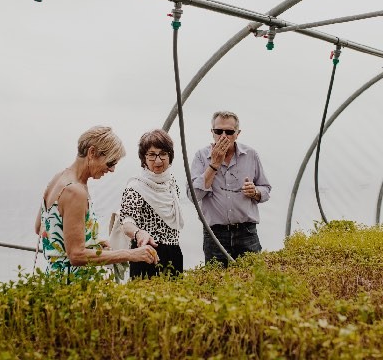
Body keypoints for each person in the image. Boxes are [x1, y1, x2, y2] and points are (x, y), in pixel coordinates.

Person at [34, 125, 158, 278]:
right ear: (92, 153)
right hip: (74, 284)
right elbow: (77, 255)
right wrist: (130, 254)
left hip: (54, 277)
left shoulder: (58, 179)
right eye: (111, 162)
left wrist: (91, 242)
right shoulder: (75, 191)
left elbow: (41, 228)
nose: (112, 170)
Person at [188, 111, 271, 267]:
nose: (223, 136)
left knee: (252, 280)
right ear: (212, 132)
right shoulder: (201, 156)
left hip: (246, 232)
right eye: (218, 131)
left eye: (229, 132)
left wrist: (255, 192)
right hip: (215, 234)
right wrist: (213, 165)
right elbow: (193, 195)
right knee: (215, 283)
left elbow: (266, 189)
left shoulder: (251, 154)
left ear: (237, 134)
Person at [119, 129, 184, 279]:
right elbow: (126, 222)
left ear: (170, 156)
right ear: (144, 158)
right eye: (152, 155)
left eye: (163, 154)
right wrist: (138, 233)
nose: (158, 160)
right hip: (146, 253)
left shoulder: (172, 184)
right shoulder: (135, 187)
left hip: (174, 252)